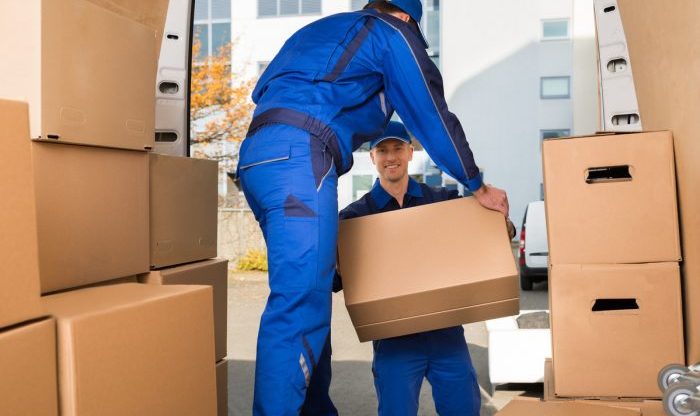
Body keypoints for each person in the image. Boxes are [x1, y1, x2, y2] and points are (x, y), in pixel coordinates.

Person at [236, 1, 510, 414]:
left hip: (259, 158)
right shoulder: (390, 32)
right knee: (298, 307)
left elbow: (266, 92)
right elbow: (430, 113)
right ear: (405, 18)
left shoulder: (322, 31)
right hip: (300, 155)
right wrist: (476, 183)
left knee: (308, 297)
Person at [334, 122, 515, 415]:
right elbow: (335, 280)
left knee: (464, 410)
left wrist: (501, 221)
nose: (390, 157)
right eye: (382, 150)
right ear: (372, 157)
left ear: (410, 152)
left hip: (446, 335)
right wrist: (339, 263)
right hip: (394, 342)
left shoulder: (441, 201)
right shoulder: (355, 218)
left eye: (396, 149)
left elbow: (485, 237)